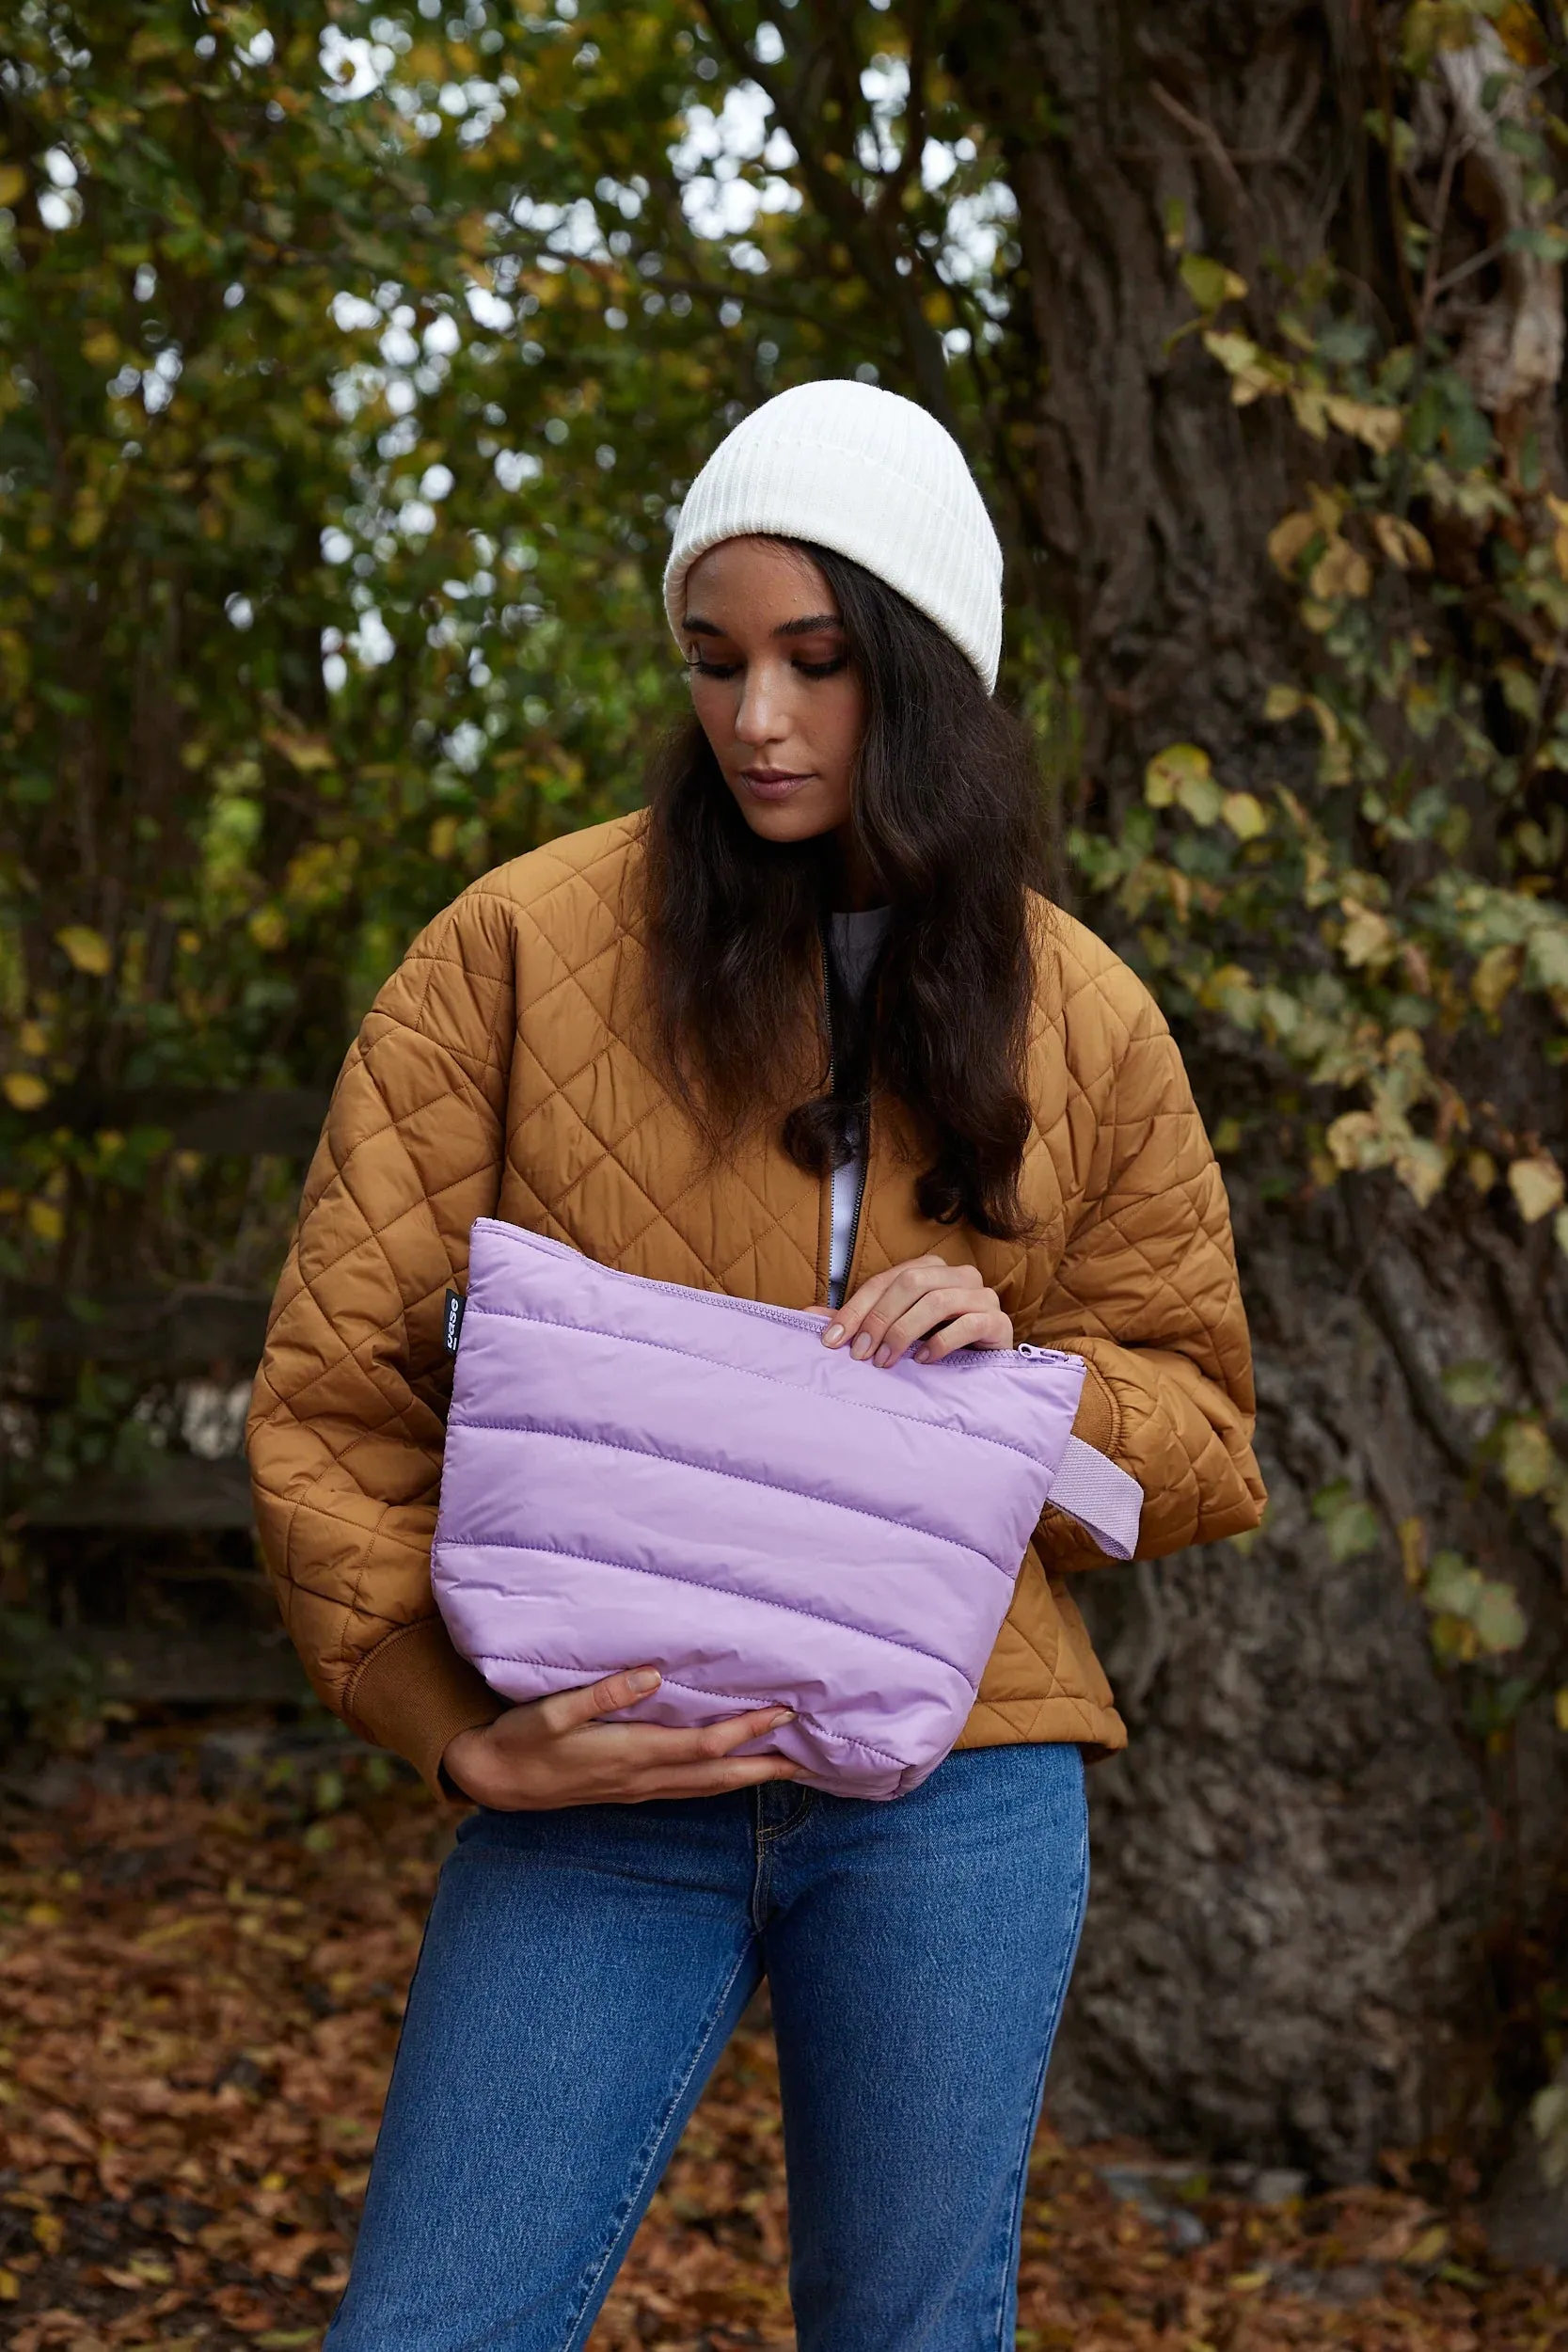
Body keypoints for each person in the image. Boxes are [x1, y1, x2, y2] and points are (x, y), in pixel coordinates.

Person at [247, 379, 1265, 2351]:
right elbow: (333, 1389)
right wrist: (449, 1724)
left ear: (927, 672)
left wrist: (1030, 1375)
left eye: (815, 660)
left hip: (953, 1784)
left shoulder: (1083, 1011)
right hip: (594, 1777)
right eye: (713, 662)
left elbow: (1203, 1432)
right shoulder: (515, 952)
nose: (758, 720)